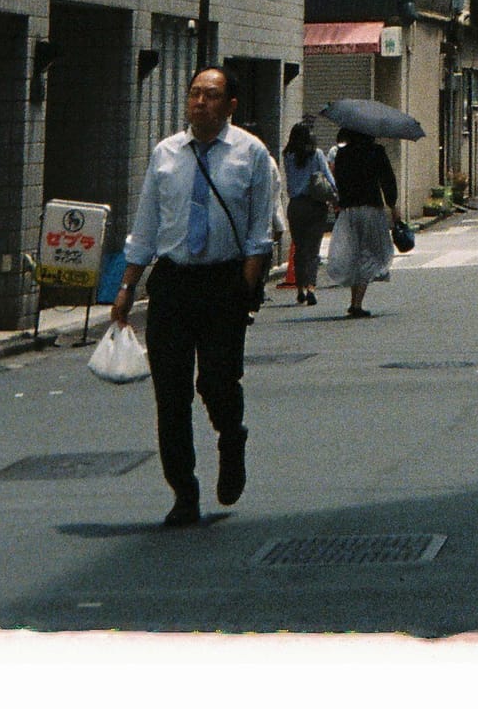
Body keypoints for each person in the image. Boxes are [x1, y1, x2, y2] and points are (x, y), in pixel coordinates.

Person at [110, 66, 275, 527]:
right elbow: (145, 229)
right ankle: (183, 491)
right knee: (171, 394)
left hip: (223, 284)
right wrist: (126, 287)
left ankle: (231, 437)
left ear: (231, 105)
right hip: (173, 284)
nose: (200, 102)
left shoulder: (252, 154)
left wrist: (247, 285)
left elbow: (260, 231)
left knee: (218, 382)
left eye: (211, 95)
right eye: (194, 94)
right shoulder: (166, 154)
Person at [323, 125, 398, 317]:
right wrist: (392, 205)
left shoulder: (343, 154)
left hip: (348, 210)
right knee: (369, 253)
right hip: (371, 208)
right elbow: (387, 179)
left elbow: (338, 181)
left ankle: (353, 300)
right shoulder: (376, 151)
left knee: (354, 252)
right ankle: (357, 303)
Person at [281, 119, 337, 304]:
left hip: (295, 206)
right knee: (313, 249)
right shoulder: (317, 154)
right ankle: (311, 287)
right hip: (315, 206)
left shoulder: (287, 155)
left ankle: (299, 288)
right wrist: (335, 194)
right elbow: (328, 177)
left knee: (299, 248)